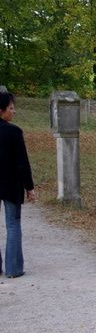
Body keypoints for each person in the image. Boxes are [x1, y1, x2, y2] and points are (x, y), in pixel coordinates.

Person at [0, 92, 36, 278]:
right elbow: (22, 162)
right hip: (10, 184)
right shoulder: (14, 132)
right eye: (11, 108)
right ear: (1, 111)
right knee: (13, 225)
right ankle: (13, 268)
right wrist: (29, 187)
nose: (14, 111)